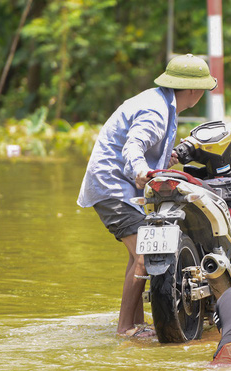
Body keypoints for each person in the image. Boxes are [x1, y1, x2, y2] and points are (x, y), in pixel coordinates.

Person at [77, 54, 217, 337]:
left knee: (137, 254)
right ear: (193, 90)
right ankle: (125, 328)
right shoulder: (156, 110)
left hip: (121, 187)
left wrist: (171, 156)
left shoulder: (163, 102)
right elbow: (134, 146)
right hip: (113, 188)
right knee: (145, 254)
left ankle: (136, 324)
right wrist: (141, 167)